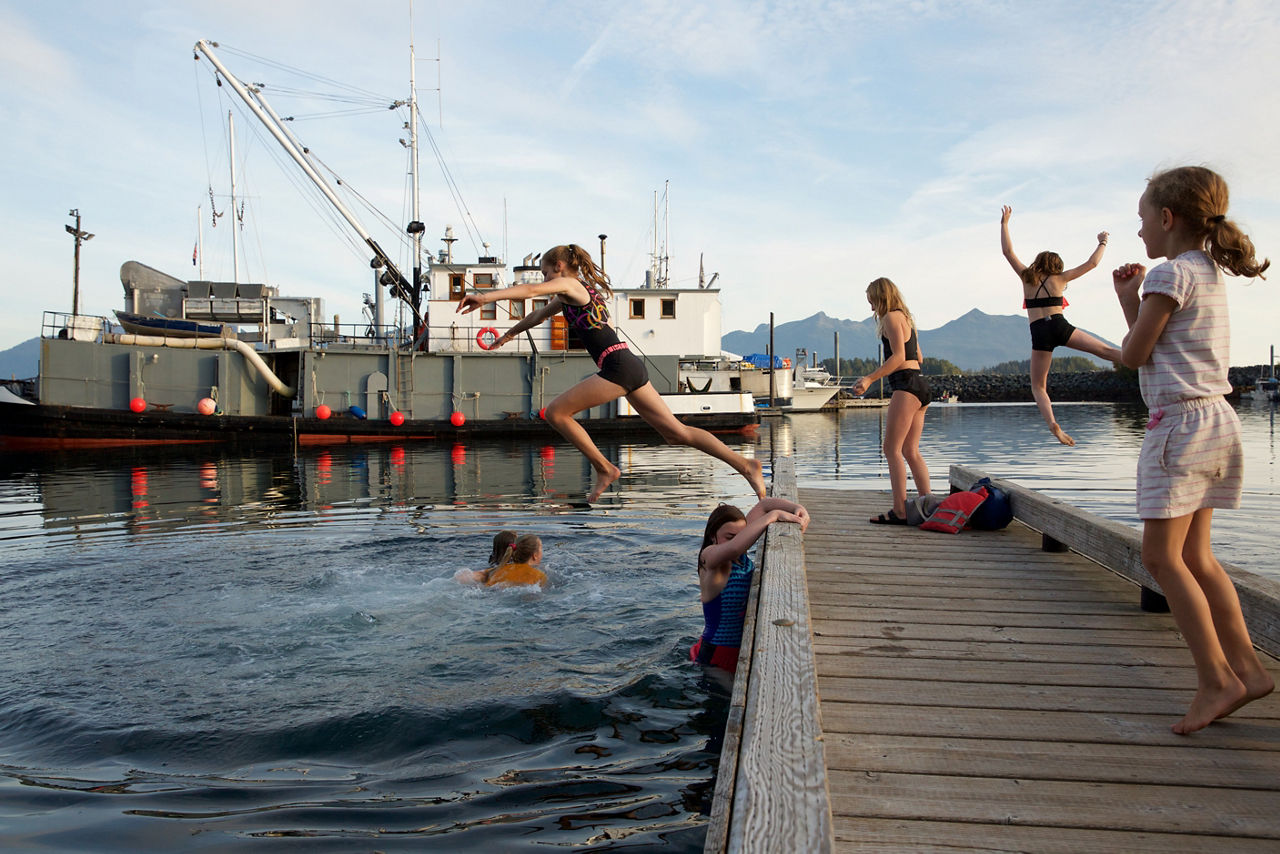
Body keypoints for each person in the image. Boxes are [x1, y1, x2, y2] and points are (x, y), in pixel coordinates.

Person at [1112, 165, 1272, 734]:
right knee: (1198, 559)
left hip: (1178, 429)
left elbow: (1133, 355)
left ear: (1166, 218)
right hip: (1217, 423)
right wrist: (1136, 299)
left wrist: (1130, 298)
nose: (1139, 235)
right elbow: (1155, 350)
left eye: (1141, 221)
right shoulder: (1205, 273)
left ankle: (1217, 679)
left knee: (1160, 559)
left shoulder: (1168, 274)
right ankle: (1249, 670)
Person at [457, 244, 765, 502]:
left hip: (617, 366)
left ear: (560, 267)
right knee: (676, 433)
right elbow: (537, 314)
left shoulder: (571, 286)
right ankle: (745, 465)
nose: (546, 278)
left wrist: (483, 298)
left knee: (556, 413)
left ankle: (604, 468)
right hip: (626, 363)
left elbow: (531, 290)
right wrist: (508, 336)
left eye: (547, 272)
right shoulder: (572, 294)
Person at [1000, 206, 1124, 446]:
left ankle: (1053, 424)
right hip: (1059, 325)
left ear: (1038, 263)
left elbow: (1007, 251)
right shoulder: (1061, 278)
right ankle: (1143, 359)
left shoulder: (1026, 277)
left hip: (1039, 333)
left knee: (1038, 386)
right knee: (1105, 351)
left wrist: (1005, 224)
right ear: (1056, 266)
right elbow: (1092, 264)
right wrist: (1103, 242)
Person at [691, 498, 809, 672]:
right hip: (716, 656)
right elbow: (734, 548)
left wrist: (797, 508)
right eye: (729, 537)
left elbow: (763, 505)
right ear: (712, 536)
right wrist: (774, 515)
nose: (739, 540)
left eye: (742, 534)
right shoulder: (709, 557)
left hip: (739, 649)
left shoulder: (740, 550)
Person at [851, 278, 931, 525]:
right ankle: (928, 505)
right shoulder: (907, 318)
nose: (871, 308)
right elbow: (918, 355)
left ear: (880, 297)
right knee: (910, 450)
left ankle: (901, 511)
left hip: (906, 386)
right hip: (920, 385)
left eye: (872, 301)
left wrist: (870, 378)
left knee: (891, 450)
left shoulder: (890, 318)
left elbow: (898, 357)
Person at [457, 533, 548, 588]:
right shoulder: (539, 575)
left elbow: (461, 578)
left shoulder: (495, 570)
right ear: (535, 556)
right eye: (541, 549)